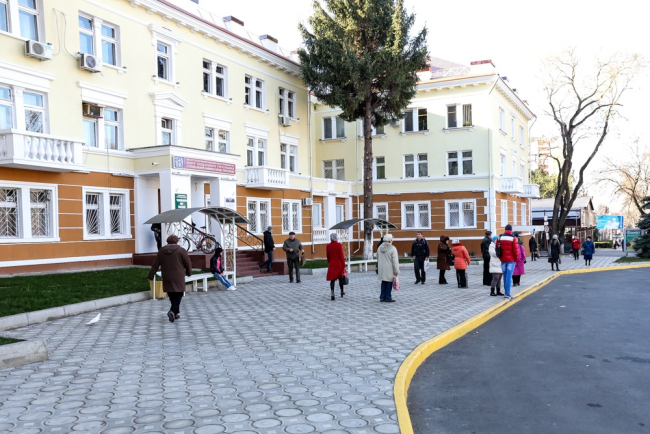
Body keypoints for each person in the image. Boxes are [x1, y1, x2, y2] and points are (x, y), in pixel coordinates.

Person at [147, 235, 192, 323]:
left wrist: (151, 275)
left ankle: (176, 313)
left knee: (171, 293)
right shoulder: (181, 250)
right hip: (178, 275)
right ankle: (172, 311)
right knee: (179, 294)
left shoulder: (161, 251)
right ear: (176, 241)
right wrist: (189, 272)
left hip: (166, 275)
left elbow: (156, 264)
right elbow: (187, 263)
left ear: (167, 241)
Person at [496, 224, 519, 300]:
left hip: (503, 260)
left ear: (505, 229)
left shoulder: (500, 237)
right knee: (509, 277)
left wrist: (500, 258)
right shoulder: (513, 238)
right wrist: (515, 259)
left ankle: (506, 293)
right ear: (511, 230)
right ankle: (507, 293)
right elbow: (515, 251)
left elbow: (497, 248)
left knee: (505, 276)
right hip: (511, 260)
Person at [377, 233, 399, 302]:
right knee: (389, 282)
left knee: (383, 282)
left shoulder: (379, 247)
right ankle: (388, 297)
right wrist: (396, 271)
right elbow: (395, 261)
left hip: (381, 268)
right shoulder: (393, 248)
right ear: (390, 240)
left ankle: (382, 297)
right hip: (390, 268)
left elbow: (377, 257)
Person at [326, 233, 346, 300]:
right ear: (336, 238)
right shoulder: (339, 245)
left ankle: (332, 293)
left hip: (332, 264)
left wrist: (329, 262)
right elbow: (341, 256)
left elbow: (328, 256)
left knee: (332, 280)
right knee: (340, 278)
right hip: (339, 264)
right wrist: (343, 265)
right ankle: (342, 291)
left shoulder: (328, 246)